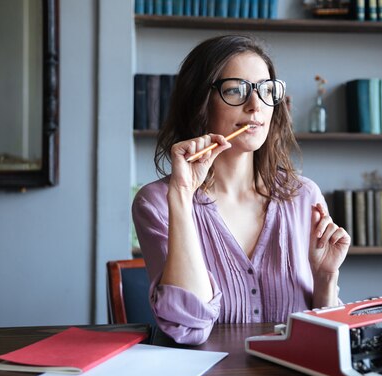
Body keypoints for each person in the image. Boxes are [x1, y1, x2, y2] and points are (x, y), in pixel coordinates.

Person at [132, 35, 350, 345]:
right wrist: (181, 193)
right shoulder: (156, 203)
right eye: (236, 90)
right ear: (199, 103)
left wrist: (326, 278)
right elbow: (187, 329)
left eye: (266, 90)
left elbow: (326, 340)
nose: (255, 105)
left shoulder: (304, 196)